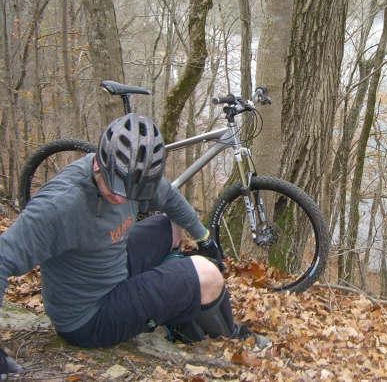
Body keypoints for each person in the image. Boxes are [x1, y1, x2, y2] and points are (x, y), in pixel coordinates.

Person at [0, 113, 247, 377]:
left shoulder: (133, 174)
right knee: (207, 274)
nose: (119, 197)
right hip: (88, 316)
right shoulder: (60, 205)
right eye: (114, 186)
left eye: (129, 191)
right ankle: (232, 340)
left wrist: (204, 237)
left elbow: (169, 197)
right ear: (100, 163)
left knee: (168, 226)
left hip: (110, 269)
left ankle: (177, 315)